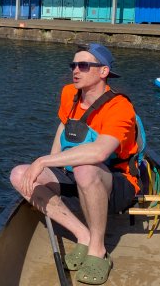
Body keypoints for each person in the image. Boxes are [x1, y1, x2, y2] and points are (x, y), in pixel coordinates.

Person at [10, 44, 139, 285]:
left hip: (117, 184)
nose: (75, 71)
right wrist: (50, 166)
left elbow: (100, 152)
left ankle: (98, 250)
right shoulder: (69, 93)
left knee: (86, 167)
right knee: (19, 174)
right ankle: (84, 235)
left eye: (83, 65)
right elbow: (64, 125)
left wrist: (43, 161)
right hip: (76, 176)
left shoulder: (120, 107)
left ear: (103, 72)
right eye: (73, 65)